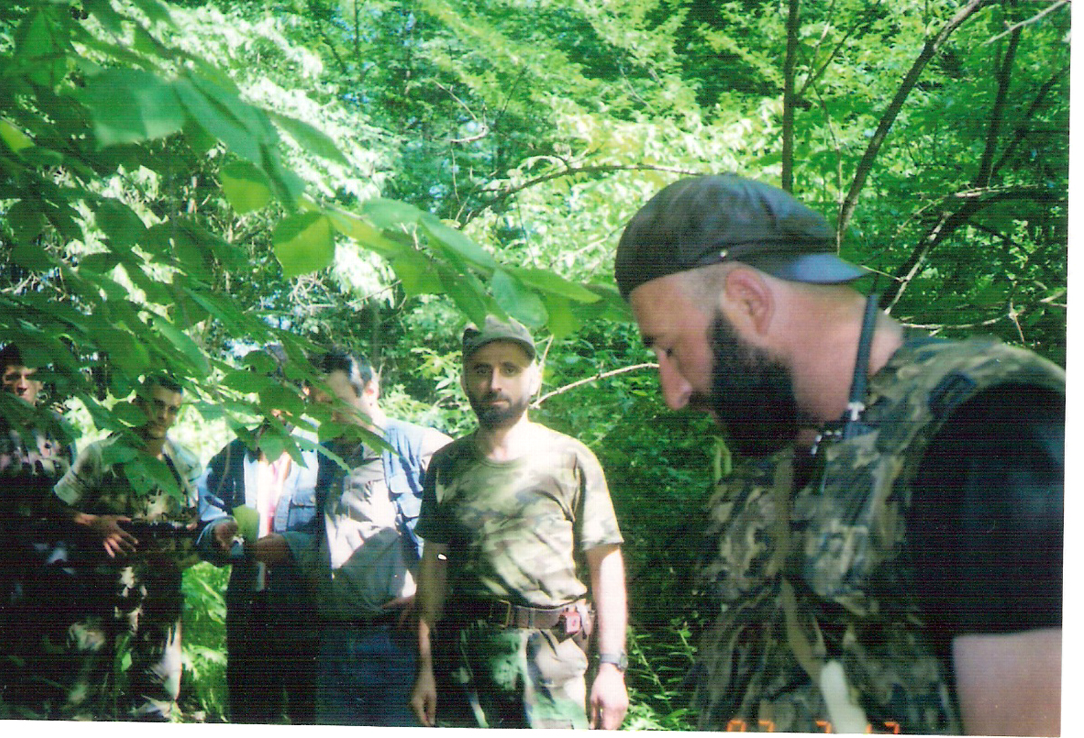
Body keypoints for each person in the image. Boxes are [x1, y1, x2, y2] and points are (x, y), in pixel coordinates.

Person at [613, 174, 1064, 736]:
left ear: (749, 301)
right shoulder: (774, 458)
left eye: (669, 348)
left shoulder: (990, 427)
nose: (674, 393)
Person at [410, 316, 630, 730]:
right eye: (481, 370)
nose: (494, 383)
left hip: (552, 663)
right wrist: (425, 666)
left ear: (534, 379)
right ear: (464, 381)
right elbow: (434, 566)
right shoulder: (447, 465)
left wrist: (611, 667)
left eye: (509, 369)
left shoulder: (571, 461)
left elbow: (606, 564)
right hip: (463, 663)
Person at [237, 347, 450, 725]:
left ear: (371, 391)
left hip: (396, 644)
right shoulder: (328, 457)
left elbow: (469, 528)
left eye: (337, 402)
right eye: (320, 405)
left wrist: (432, 593)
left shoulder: (416, 447)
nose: (329, 415)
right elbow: (329, 540)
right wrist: (291, 546)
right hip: (333, 645)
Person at [49, 374, 207, 721]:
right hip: (98, 593)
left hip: (160, 596)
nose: (163, 415)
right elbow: (55, 507)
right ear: (137, 404)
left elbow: (200, 523)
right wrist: (95, 523)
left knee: (157, 699)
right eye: (156, 404)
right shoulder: (101, 455)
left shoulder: (186, 464)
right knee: (80, 697)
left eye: (172, 409)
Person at [196, 346, 321, 724]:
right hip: (249, 610)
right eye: (268, 390)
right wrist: (215, 533)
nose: (277, 403)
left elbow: (340, 531)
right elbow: (206, 514)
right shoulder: (235, 453)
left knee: (308, 715)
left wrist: (294, 547)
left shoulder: (322, 454)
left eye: (286, 390)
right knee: (250, 714)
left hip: (306, 610)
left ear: (304, 392)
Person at [0, 344, 75, 717]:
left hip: (57, 567)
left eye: (30, 376)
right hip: (4, 567)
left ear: (41, 382)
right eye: (12, 376)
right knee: (13, 677)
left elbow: (80, 499)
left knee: (57, 675)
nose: (21, 384)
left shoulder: (60, 432)